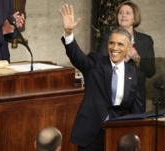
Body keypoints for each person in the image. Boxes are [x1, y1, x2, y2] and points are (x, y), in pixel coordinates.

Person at [60, 4, 143, 151]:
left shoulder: (132, 72)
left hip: (119, 134)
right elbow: (78, 57)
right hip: (91, 133)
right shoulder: (96, 63)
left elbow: (136, 106)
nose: (114, 48)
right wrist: (68, 34)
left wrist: (135, 132)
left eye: (120, 44)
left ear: (128, 48)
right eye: (111, 43)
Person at [98, 1, 156, 111]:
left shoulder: (146, 40)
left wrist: (136, 57)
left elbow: (150, 71)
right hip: (112, 93)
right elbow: (101, 63)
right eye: (120, 13)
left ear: (135, 17)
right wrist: (120, 61)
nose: (123, 15)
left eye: (128, 13)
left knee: (135, 127)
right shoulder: (107, 36)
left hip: (137, 96)